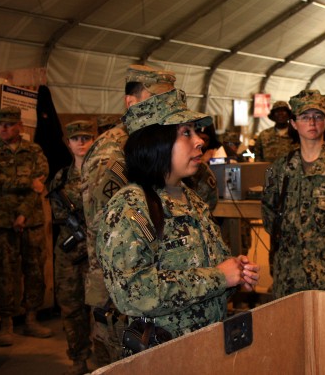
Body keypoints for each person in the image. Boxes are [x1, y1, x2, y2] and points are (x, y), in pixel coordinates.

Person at [97, 89, 259, 339]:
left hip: (208, 344)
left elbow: (211, 271)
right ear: (156, 142)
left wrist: (236, 274)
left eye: (195, 131)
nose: (200, 141)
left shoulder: (191, 198)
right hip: (166, 354)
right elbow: (132, 294)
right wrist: (219, 277)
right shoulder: (131, 208)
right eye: (185, 133)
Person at [81, 64, 176, 364]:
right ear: (131, 102)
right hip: (117, 291)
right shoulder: (113, 154)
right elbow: (112, 225)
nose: (166, 108)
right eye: (157, 99)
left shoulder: (156, 144)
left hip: (151, 284)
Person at [261, 89, 325, 299]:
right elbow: (269, 216)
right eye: (305, 117)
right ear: (294, 123)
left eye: (318, 116)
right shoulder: (279, 169)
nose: (312, 122)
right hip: (288, 278)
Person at [0, 106, 52, 347]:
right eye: (0, 123)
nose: (4, 127)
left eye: (10, 124)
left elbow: (41, 181)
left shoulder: (33, 150)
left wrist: (23, 214)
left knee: (34, 270)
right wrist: (27, 182)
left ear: (19, 126)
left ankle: (31, 319)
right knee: (4, 273)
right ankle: (5, 323)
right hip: (0, 222)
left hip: (31, 220)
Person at [48, 120, 95, 375]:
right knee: (72, 308)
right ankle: (79, 358)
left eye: (86, 137)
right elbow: (55, 211)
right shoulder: (61, 177)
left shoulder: (102, 175)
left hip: (96, 254)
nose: (81, 142)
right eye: (76, 138)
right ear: (68, 143)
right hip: (69, 254)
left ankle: (105, 355)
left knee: (100, 308)